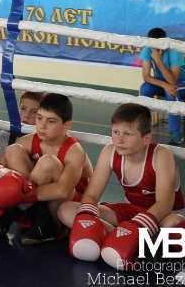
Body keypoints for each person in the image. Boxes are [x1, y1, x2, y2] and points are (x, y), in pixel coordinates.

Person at [58, 103, 185, 270]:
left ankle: (126, 241)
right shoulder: (110, 152)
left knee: (176, 226)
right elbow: (92, 195)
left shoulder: (160, 155)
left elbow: (165, 203)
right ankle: (137, 245)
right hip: (130, 212)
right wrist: (87, 215)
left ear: (146, 139)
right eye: (116, 132)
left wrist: (136, 226)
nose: (119, 140)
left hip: (162, 216)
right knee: (66, 210)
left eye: (128, 134)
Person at [0, 93, 94, 244]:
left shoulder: (74, 151)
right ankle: (34, 219)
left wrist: (17, 195)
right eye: (39, 118)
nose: (42, 126)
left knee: (48, 162)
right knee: (13, 150)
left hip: (63, 214)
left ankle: (8, 216)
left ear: (66, 126)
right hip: (35, 211)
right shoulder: (29, 140)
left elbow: (63, 190)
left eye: (51, 121)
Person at [138, 27, 185, 145]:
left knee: (172, 91)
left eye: (158, 44)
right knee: (145, 88)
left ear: (164, 40)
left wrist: (158, 60)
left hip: (181, 81)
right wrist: (164, 84)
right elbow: (146, 76)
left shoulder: (174, 49)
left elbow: (172, 80)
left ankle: (176, 133)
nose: (155, 48)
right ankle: (141, 127)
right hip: (162, 82)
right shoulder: (148, 48)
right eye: (152, 44)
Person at [0, 91, 44, 157]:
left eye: (34, 111)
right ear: (18, 109)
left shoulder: (46, 139)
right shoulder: (6, 134)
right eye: (23, 109)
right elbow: (0, 162)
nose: (26, 115)